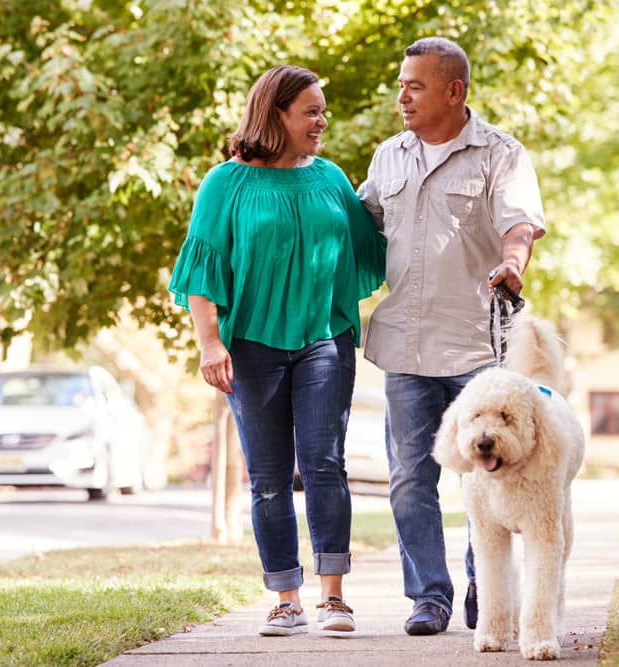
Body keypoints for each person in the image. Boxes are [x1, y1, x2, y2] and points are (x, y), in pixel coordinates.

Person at [169, 65, 386, 636]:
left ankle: (333, 596)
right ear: (277, 114)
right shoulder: (226, 184)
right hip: (251, 348)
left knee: (324, 464)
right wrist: (209, 341)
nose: (322, 120)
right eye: (311, 111)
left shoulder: (331, 178)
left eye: (322, 110)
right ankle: (286, 597)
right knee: (267, 477)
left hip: (323, 340)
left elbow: (375, 242)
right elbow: (202, 267)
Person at [357, 37, 546, 636]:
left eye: (415, 85)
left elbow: (520, 224)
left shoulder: (500, 154)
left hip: (477, 347)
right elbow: (360, 225)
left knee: (484, 474)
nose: (402, 96)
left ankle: (480, 590)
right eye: (402, 83)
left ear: (454, 91)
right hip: (405, 346)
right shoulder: (389, 156)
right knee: (411, 474)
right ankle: (428, 597)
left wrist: (513, 262)